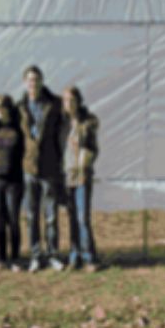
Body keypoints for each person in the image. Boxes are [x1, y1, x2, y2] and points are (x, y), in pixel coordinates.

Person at [17, 65, 65, 273]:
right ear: (25, 83)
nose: (33, 83)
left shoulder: (54, 105)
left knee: (51, 216)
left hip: (50, 168)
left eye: (36, 79)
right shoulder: (20, 107)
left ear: (42, 81)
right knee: (31, 215)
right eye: (29, 80)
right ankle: (36, 255)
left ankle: (53, 254)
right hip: (29, 168)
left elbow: (62, 134)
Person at [61, 86, 100, 272]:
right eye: (66, 100)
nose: (69, 104)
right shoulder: (62, 123)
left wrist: (85, 163)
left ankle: (89, 257)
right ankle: (74, 256)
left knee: (83, 217)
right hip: (67, 176)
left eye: (72, 100)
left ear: (78, 101)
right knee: (72, 219)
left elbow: (93, 148)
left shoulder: (87, 123)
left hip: (82, 176)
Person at [0, 94, 25, 272]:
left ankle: (15, 258)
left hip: (14, 181)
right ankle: (1, 258)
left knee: (13, 219)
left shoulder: (18, 129)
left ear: (9, 108)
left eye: (2, 106)